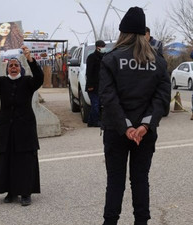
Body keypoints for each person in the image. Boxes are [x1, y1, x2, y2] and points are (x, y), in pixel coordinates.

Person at [99, 7, 171, 225]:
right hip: (145, 133)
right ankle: (142, 221)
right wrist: (145, 125)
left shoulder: (111, 59)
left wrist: (126, 127)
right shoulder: (158, 62)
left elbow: (108, 97)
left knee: (115, 181)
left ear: (123, 32)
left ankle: (110, 222)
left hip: (116, 130)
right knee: (140, 180)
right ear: (143, 33)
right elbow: (162, 99)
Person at [0, 45, 43, 206]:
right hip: (6, 129)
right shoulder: (2, 83)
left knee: (24, 161)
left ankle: (25, 193)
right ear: (7, 69)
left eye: (16, 65)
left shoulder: (28, 82)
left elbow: (40, 77)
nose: (14, 68)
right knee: (7, 160)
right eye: (11, 66)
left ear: (20, 68)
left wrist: (29, 58)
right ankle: (11, 191)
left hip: (25, 129)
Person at [85, 40, 106, 127]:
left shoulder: (105, 57)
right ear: (98, 47)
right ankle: (96, 121)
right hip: (93, 86)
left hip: (101, 86)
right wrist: (90, 85)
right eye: (102, 46)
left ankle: (90, 122)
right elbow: (89, 73)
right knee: (95, 104)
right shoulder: (91, 57)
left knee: (97, 104)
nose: (104, 48)